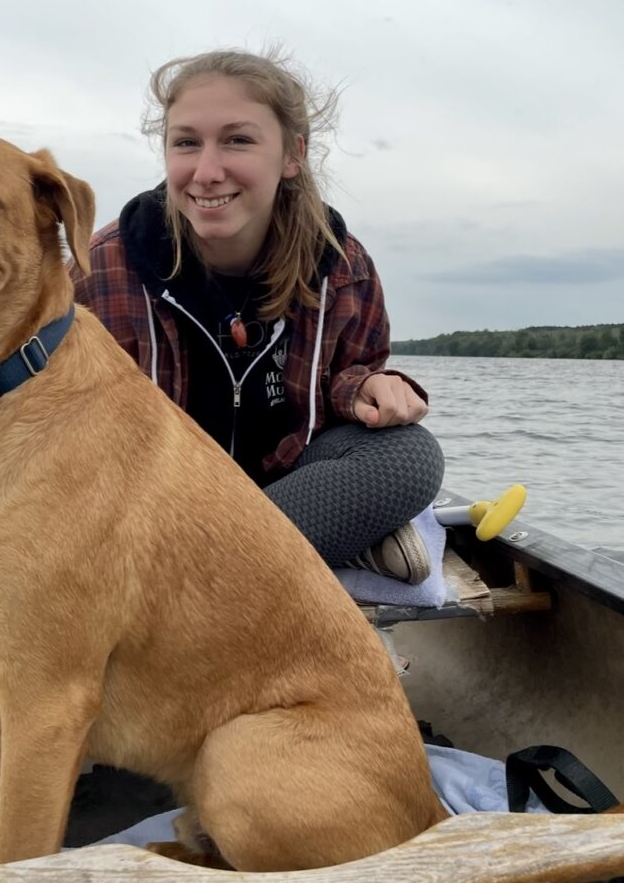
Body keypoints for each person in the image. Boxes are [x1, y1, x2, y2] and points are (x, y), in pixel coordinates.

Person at [70, 48, 444, 584]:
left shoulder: (343, 267)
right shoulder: (101, 266)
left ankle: (211, 575)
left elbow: (352, 372)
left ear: (292, 154)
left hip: (285, 486)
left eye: (238, 140)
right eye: (186, 143)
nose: (207, 171)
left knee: (409, 455)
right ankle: (299, 559)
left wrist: (368, 389)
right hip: (146, 505)